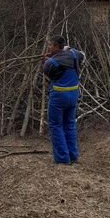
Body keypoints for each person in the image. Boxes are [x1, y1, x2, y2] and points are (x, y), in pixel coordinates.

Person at [43, 35, 85, 165]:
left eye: (51, 45)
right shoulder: (73, 54)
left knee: (56, 126)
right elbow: (82, 56)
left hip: (59, 98)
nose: (49, 47)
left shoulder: (50, 63)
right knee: (70, 124)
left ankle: (63, 159)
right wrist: (68, 49)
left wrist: (47, 60)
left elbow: (48, 73)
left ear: (56, 46)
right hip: (73, 96)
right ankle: (73, 156)